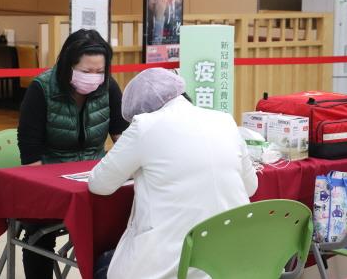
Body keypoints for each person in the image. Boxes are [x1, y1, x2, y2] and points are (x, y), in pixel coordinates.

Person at [88, 68, 258, 279]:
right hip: (234, 263)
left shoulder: (144, 126)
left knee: (103, 264)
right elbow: (251, 187)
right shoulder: (224, 120)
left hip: (171, 266)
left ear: (140, 110)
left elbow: (99, 184)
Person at [17, 29, 129, 279]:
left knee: (126, 219)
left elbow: (124, 140)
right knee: (38, 236)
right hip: (49, 182)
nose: (94, 77)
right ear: (68, 65)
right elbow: (30, 153)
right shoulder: (42, 89)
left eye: (100, 71)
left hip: (95, 180)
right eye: (87, 71)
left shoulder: (108, 87)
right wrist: (49, 191)